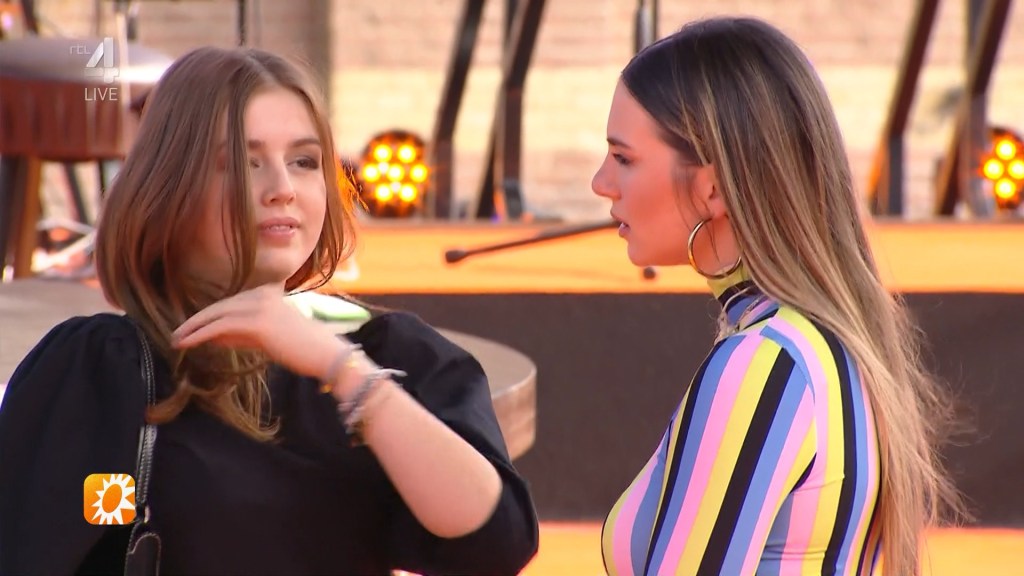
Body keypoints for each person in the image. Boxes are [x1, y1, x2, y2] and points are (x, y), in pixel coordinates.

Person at [0, 46, 538, 575]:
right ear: (168, 188)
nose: (281, 189)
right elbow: (46, 545)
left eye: (303, 162)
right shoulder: (104, 372)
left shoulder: (386, 353)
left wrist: (344, 372)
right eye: (241, 163)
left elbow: (495, 544)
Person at [591, 17, 962, 576]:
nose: (601, 182)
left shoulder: (764, 363)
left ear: (712, 187)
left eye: (624, 159)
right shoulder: (825, 346)